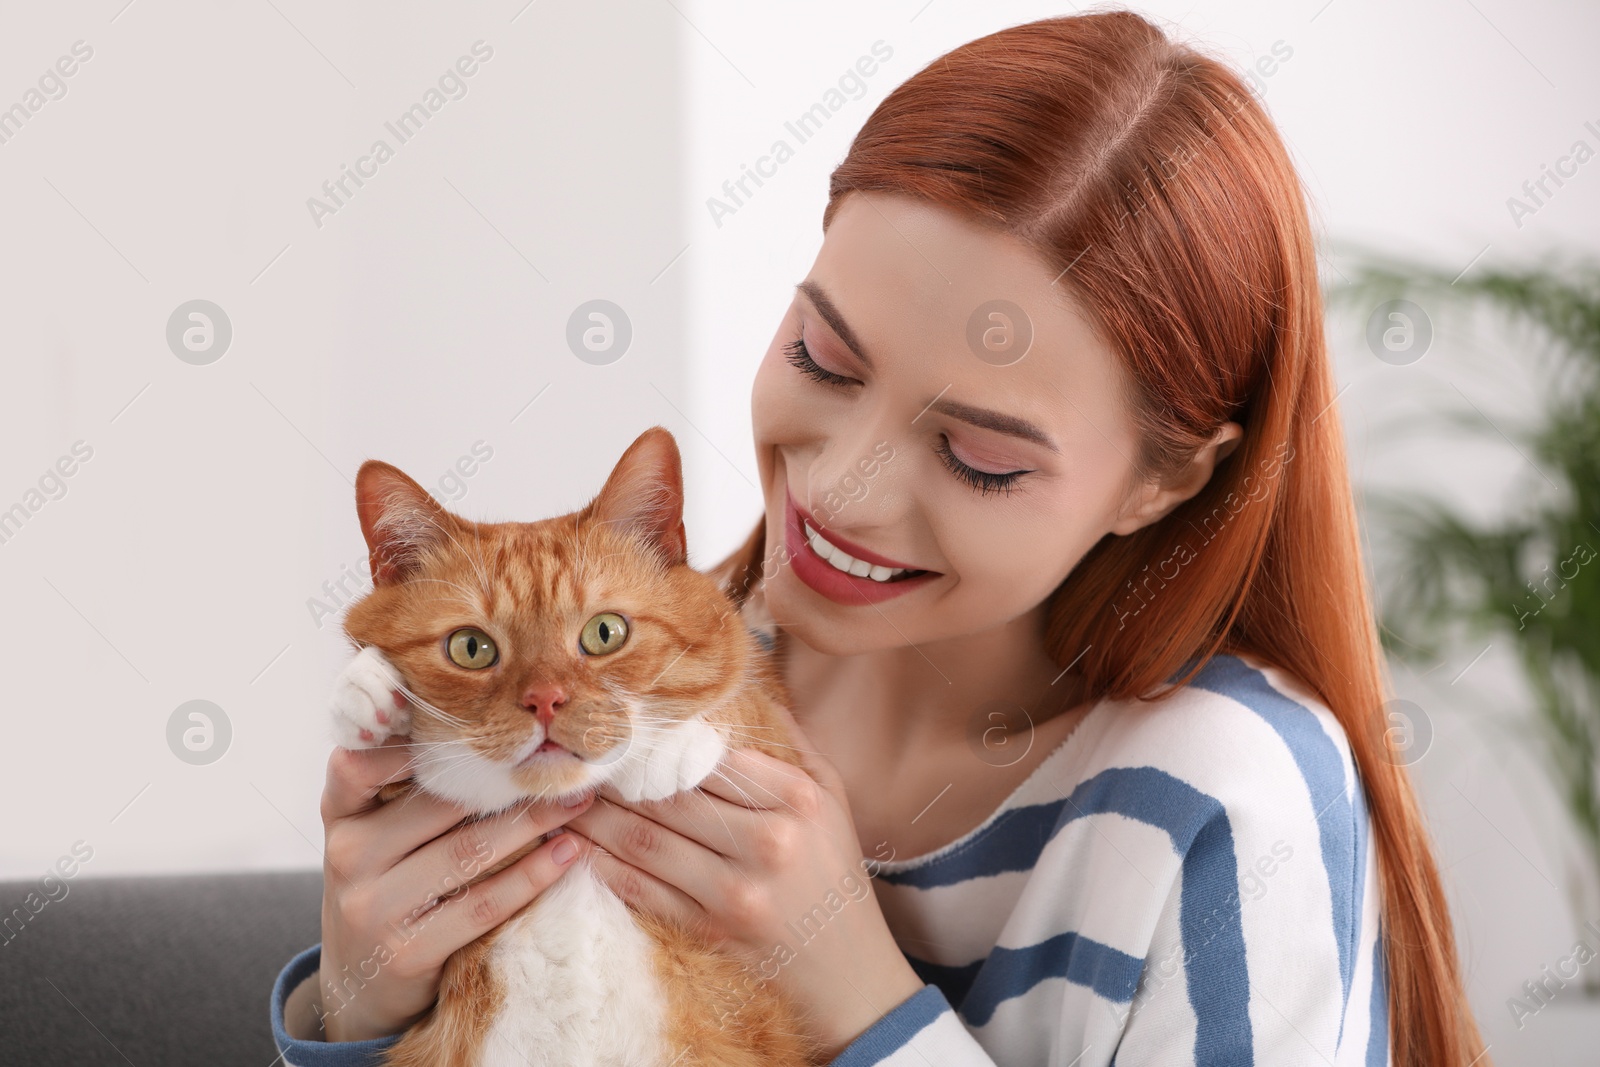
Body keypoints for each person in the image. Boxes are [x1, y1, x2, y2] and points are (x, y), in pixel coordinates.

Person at [271, 10, 1493, 1066]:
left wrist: (861, 993)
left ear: (1161, 482)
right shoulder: (625, 685)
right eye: (822, 354)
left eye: (980, 457)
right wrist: (358, 1007)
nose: (843, 491)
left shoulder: (1218, 798)